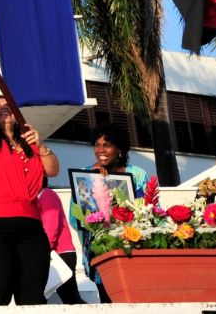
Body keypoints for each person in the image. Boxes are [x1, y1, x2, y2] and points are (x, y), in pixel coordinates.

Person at [0, 50, 60, 305]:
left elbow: (52, 170)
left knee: (32, 295)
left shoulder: (30, 146)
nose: (3, 107)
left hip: (30, 226)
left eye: (7, 104)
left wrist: (42, 149)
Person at [78, 122, 150, 303]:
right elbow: (78, 216)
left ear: (120, 150)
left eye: (107, 145)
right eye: (97, 145)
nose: (100, 150)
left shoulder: (138, 174)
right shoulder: (86, 174)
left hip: (133, 248)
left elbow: (149, 210)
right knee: (108, 302)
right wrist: (92, 181)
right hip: (101, 250)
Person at [37, 178, 84, 304]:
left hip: (60, 253)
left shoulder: (47, 194)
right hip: (49, 252)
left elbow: (51, 227)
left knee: (70, 297)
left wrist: (42, 251)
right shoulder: (35, 198)